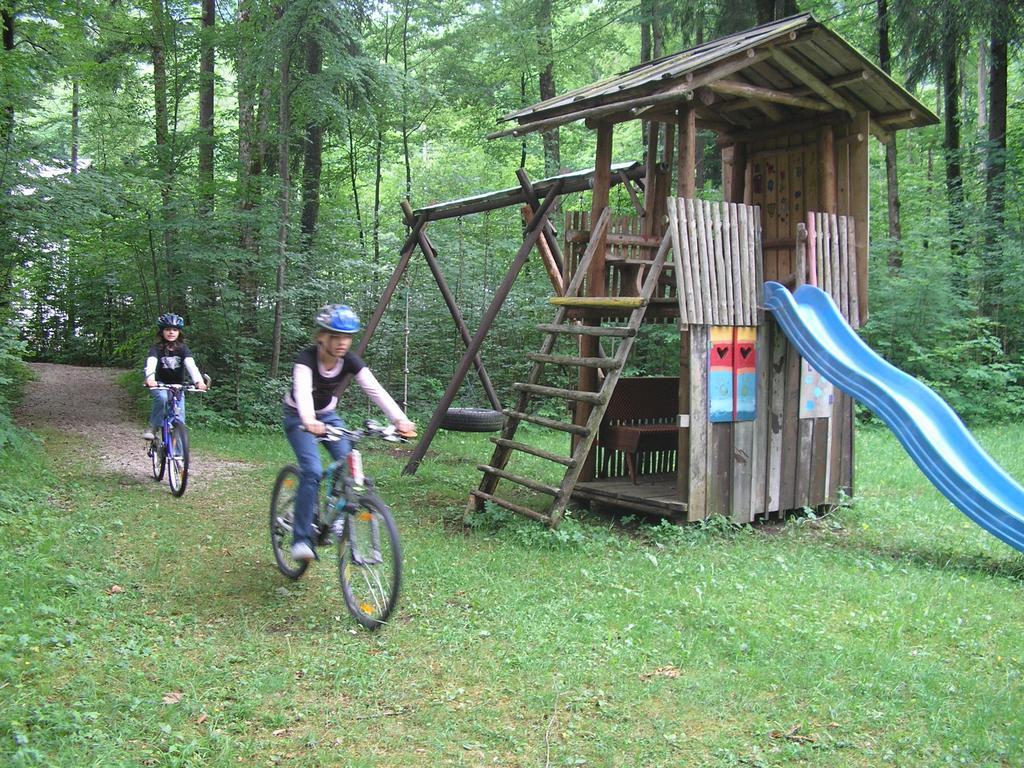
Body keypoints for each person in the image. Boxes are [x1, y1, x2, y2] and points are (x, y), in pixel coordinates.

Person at [283, 304, 415, 562]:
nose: (342, 342)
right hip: (298, 417)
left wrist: (400, 420)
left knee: (349, 462)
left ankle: (337, 517)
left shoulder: (350, 361)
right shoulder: (306, 359)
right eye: (335, 336)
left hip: (329, 417)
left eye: (347, 337)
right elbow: (302, 391)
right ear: (321, 336)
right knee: (311, 470)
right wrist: (309, 419)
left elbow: (374, 390)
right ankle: (300, 539)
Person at [143, 313, 208, 440]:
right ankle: (154, 426)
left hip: (178, 386)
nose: (171, 332)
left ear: (179, 332)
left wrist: (199, 381)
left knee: (179, 420)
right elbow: (151, 364)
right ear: (162, 332)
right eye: (168, 329)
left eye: (175, 330)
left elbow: (191, 366)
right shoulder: (156, 349)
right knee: (162, 398)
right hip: (160, 384)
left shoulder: (183, 349)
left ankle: (179, 457)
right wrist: (150, 378)